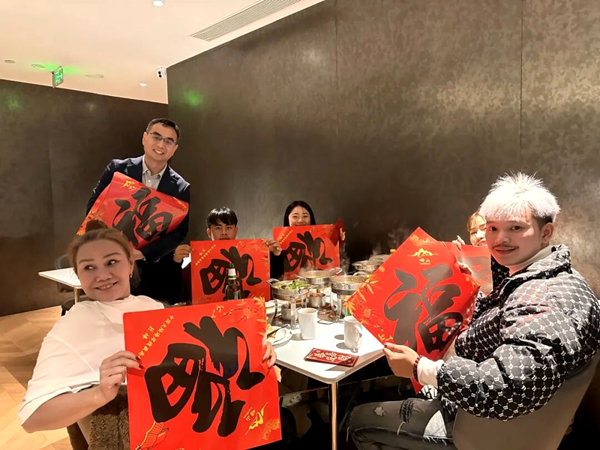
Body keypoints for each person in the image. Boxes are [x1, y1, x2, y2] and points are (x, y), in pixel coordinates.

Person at [348, 173, 600, 449]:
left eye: (516, 228)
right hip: (509, 416)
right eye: (492, 228)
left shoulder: (542, 300)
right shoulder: (553, 275)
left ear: (546, 232)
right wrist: (478, 285)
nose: (500, 239)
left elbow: (507, 388)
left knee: (357, 420)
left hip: (482, 427)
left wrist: (421, 369)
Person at [19, 221, 277, 438]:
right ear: (78, 275)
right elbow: (32, 418)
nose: (102, 275)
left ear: (130, 264)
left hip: (196, 419)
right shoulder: (74, 324)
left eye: (112, 262)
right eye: (89, 267)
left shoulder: (151, 306)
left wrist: (253, 351)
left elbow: (205, 357)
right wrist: (99, 394)